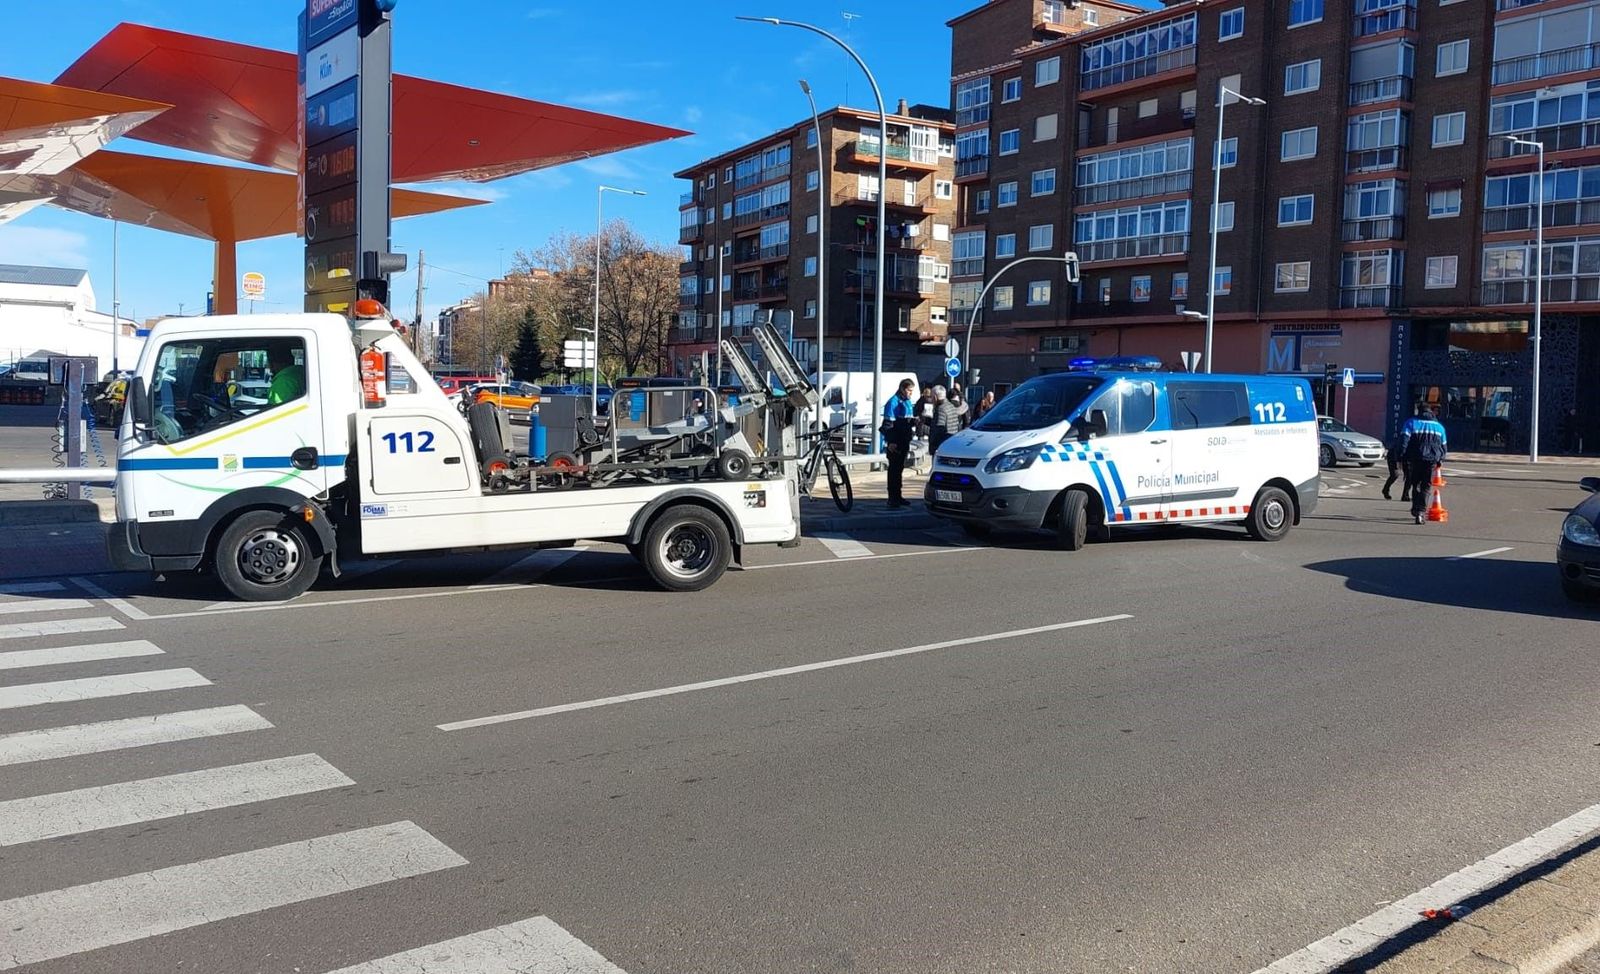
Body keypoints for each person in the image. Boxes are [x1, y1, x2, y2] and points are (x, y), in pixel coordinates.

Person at [1398, 403, 1448, 524]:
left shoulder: (1411, 423)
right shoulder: (1439, 427)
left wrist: (1401, 457)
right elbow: (1444, 446)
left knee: (1416, 484)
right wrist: (1440, 459)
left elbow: (1403, 441)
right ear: (1430, 412)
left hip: (1415, 458)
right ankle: (1421, 512)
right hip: (1431, 460)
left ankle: (1415, 508)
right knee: (1426, 486)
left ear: (1418, 411)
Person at [883, 377, 917, 507]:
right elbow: (888, 424)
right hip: (895, 442)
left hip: (904, 440)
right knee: (894, 471)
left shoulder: (907, 403)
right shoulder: (893, 402)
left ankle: (898, 496)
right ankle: (892, 498)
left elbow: (907, 421)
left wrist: (915, 421)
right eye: (909, 390)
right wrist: (890, 442)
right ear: (902, 389)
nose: (910, 393)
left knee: (900, 469)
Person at [1381, 429, 1411, 502]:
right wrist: (1398, 462)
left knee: (1409, 476)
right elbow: (1397, 449)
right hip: (1394, 456)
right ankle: (1385, 489)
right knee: (1395, 474)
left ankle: (1405, 495)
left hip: (1406, 457)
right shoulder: (1404, 437)